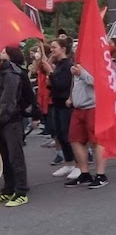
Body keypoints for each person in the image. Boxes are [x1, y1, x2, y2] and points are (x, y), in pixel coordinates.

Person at [64, 60, 110, 189]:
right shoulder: (78, 64)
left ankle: (101, 174)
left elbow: (100, 83)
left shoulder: (97, 62)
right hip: (78, 108)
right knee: (75, 139)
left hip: (93, 106)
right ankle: (84, 173)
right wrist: (71, 97)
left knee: (96, 141)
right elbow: (75, 84)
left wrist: (82, 73)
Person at [45, 38, 80, 180]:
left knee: (68, 135)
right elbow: (54, 84)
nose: (52, 50)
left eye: (54, 47)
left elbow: (63, 84)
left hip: (66, 104)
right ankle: (68, 162)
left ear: (63, 49)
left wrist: (51, 74)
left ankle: (79, 165)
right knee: (60, 134)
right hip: (57, 103)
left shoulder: (68, 65)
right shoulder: (58, 65)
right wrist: (50, 79)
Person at [0, 48, 30, 206]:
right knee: (5, 157)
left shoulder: (11, 74)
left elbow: (8, 103)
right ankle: (9, 188)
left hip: (11, 121)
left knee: (15, 156)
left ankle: (21, 191)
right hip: (3, 121)